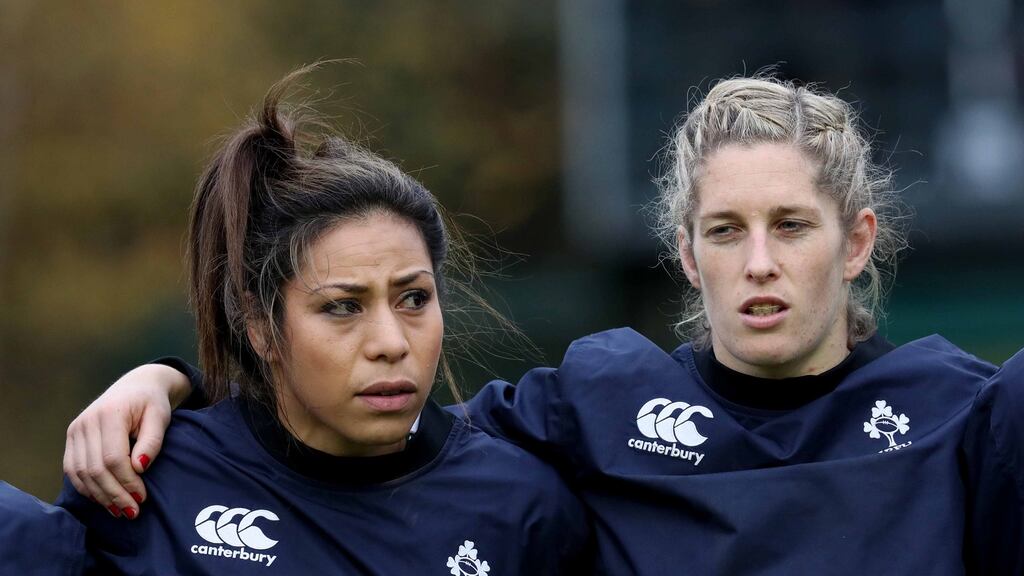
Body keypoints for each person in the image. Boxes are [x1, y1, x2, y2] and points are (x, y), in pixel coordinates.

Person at [64, 76, 1024, 574]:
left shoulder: (965, 412)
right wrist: (174, 380)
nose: (760, 263)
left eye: (792, 228)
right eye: (725, 231)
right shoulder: (595, 403)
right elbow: (364, 439)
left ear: (856, 242)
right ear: (686, 254)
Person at [54, 65, 591, 575]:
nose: (390, 343)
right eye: (342, 306)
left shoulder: (523, 506)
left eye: (413, 299)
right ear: (260, 324)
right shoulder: (147, 485)